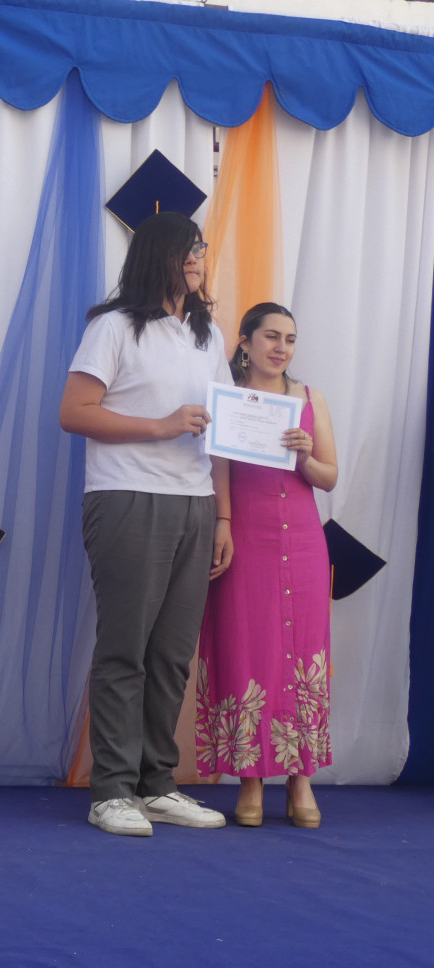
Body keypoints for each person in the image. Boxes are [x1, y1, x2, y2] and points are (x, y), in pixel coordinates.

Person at [58, 210, 234, 838]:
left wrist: (223, 515)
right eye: (186, 249)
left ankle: (157, 785)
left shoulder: (208, 335)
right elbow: (74, 412)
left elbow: (222, 433)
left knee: (172, 656)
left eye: (201, 249)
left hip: (195, 503)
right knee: (125, 648)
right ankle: (110, 791)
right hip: (127, 496)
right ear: (155, 255)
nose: (196, 259)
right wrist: (160, 426)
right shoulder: (113, 327)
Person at [195, 303, 337, 829]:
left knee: (304, 649)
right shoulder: (227, 398)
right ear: (246, 341)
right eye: (272, 336)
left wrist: (304, 457)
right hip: (246, 538)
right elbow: (219, 469)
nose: (282, 348)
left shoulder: (310, 399)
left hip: (302, 540)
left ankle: (301, 778)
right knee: (247, 645)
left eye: (290, 339)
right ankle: (250, 778)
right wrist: (223, 523)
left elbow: (329, 477)